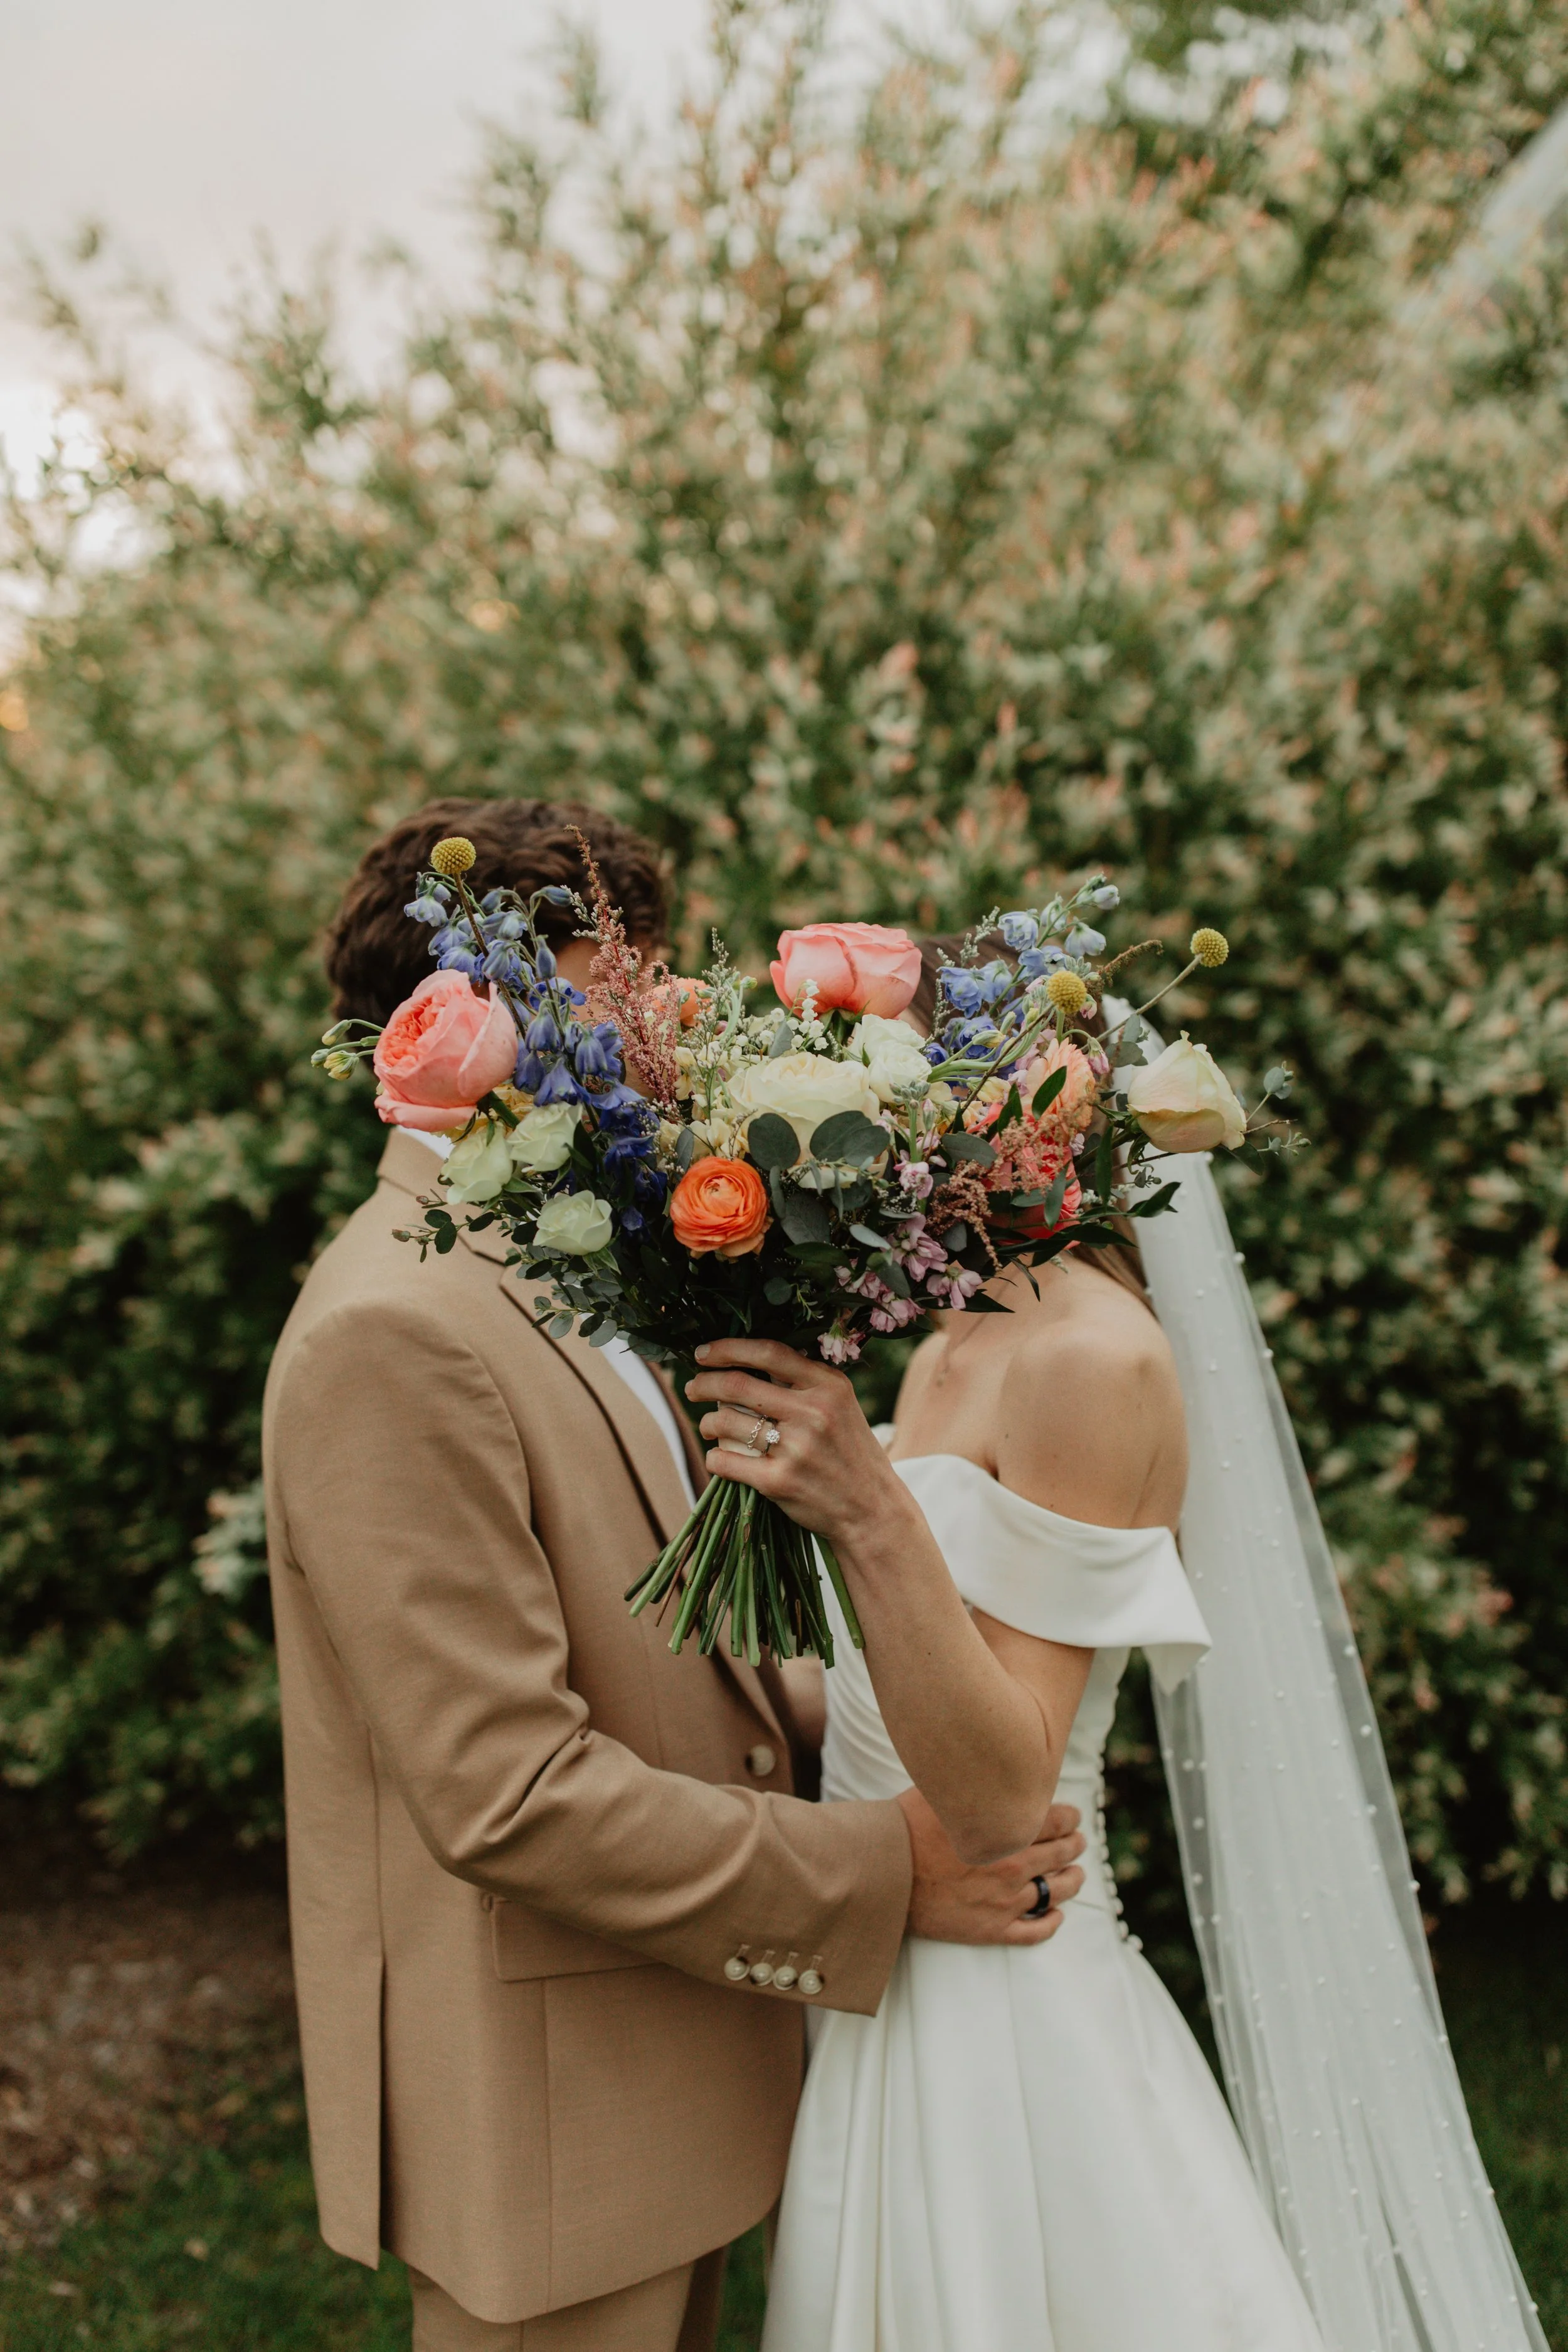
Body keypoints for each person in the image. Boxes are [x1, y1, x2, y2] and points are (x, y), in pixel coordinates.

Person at [262, 807, 1088, 2352]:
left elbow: (671, 1631)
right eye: (611, 988)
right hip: (550, 2117)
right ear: (485, 1009)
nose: (659, 1027)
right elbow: (505, 1790)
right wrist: (882, 1873)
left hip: (674, 2052)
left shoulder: (565, 1249)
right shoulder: (394, 1329)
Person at [687, 946, 1549, 2352]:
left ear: (1028, 1116)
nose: (860, 1133)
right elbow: (869, 1671)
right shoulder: (946, 1321)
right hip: (880, 1963)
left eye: (894, 1091)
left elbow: (1001, 1799)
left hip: (1001, 2005)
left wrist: (861, 1502)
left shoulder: (1095, 1361)